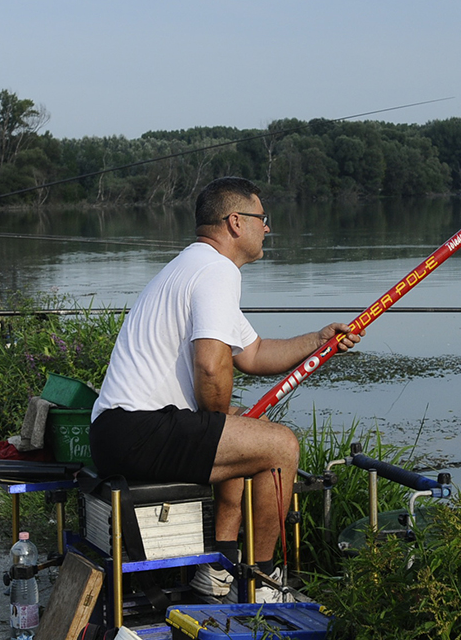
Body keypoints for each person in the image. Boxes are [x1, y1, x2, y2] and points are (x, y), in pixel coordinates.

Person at [88, 176, 363, 603]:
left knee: (250, 432)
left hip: (121, 430)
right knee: (281, 446)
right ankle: (263, 584)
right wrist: (218, 419)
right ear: (235, 222)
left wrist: (318, 339)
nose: (267, 227)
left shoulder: (194, 264)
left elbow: (253, 353)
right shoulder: (217, 271)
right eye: (262, 218)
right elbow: (211, 366)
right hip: (137, 430)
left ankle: (217, 568)